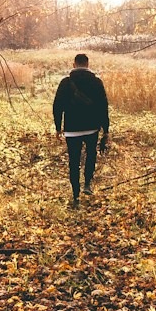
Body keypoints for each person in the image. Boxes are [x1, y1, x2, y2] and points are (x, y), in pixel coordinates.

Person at [53, 51, 109, 204]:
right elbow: (103, 106)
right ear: (88, 64)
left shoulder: (66, 82)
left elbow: (57, 106)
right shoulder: (97, 82)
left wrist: (58, 127)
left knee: (74, 160)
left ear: (74, 65)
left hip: (71, 129)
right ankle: (87, 184)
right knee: (91, 155)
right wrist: (106, 129)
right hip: (92, 127)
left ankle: (75, 194)